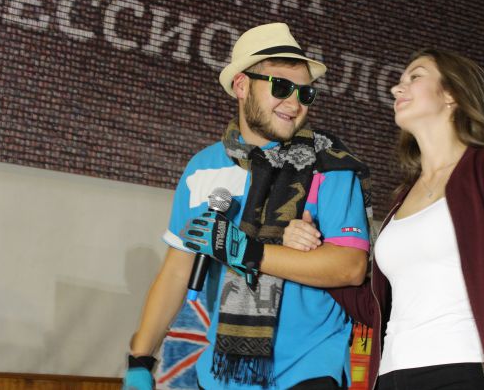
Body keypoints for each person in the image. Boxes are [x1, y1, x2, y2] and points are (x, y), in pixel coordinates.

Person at [282, 49, 484, 389]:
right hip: (391, 376)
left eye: (415, 76)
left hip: (468, 371)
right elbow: (377, 309)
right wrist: (315, 251)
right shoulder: (404, 198)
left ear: (451, 94)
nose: (397, 88)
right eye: (398, 81)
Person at [122, 22, 374, 390]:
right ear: (242, 86)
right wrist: (140, 359)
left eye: (306, 93)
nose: (295, 104)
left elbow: (350, 267)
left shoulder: (331, 164)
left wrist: (247, 251)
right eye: (281, 87)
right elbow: (178, 270)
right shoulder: (203, 168)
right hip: (222, 373)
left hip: (309, 369)